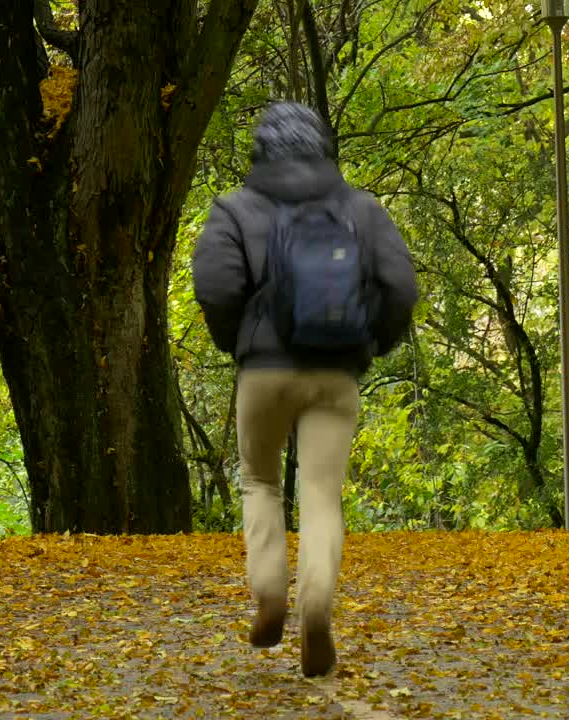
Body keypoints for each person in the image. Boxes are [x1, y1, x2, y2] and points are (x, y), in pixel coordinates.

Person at [191, 101, 418, 677]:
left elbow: (216, 286)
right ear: (323, 149)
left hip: (263, 370)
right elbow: (400, 286)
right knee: (321, 494)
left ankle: (269, 592)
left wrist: (240, 342)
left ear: (261, 152)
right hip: (335, 373)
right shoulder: (361, 209)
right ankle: (316, 609)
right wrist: (370, 345)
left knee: (260, 481)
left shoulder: (235, 209)